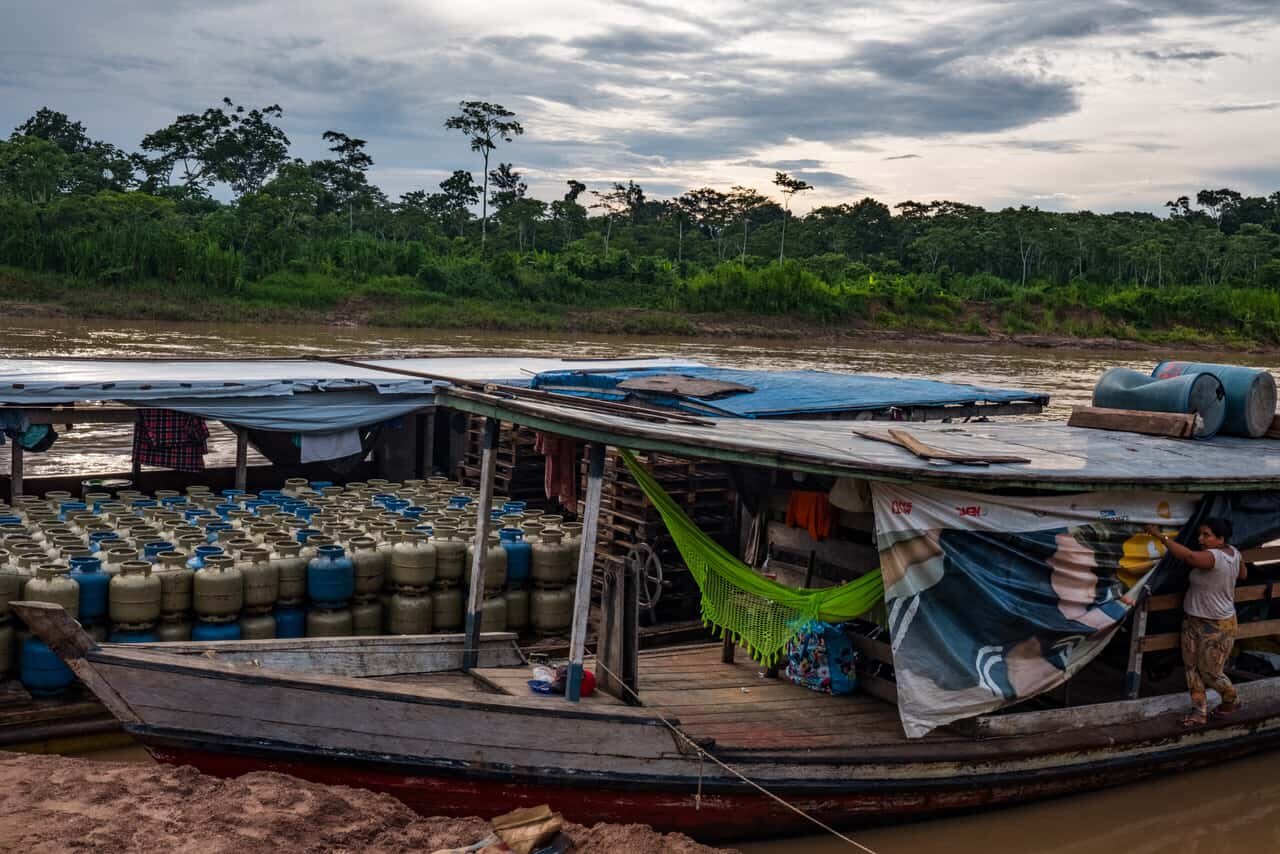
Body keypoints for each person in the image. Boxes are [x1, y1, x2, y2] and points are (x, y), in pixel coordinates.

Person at [1146, 518, 1246, 728]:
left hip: (1218, 625)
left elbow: (1189, 556)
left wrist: (1159, 535)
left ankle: (1232, 701)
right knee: (1191, 669)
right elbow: (1243, 574)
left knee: (1211, 673)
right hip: (1193, 619)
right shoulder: (1234, 553)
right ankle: (1199, 712)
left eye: (1206, 535)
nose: (1200, 539)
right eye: (1200, 534)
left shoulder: (1215, 557)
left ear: (1220, 539)